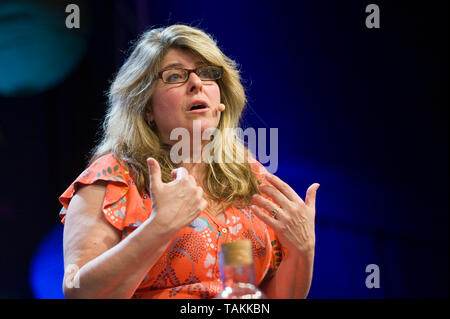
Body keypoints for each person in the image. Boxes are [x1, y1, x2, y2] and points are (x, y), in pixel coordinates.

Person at [59, 24, 320, 299]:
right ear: (146, 107)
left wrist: (303, 250)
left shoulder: (249, 176)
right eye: (174, 76)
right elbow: (80, 292)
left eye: (207, 73)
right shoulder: (112, 179)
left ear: (221, 99)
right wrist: (159, 227)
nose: (197, 83)